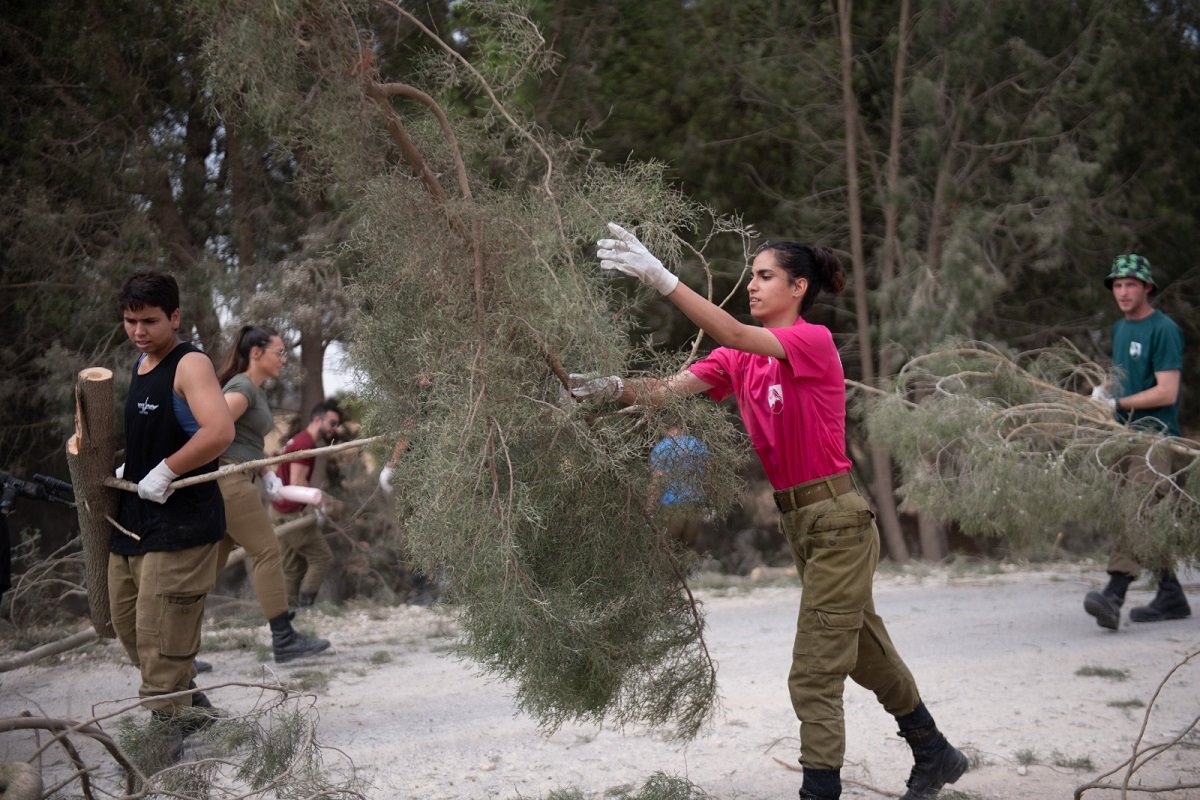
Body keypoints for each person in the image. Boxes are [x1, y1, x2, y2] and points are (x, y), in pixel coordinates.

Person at [574, 224, 968, 800]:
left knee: (813, 672)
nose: (753, 286)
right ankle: (934, 752)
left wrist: (662, 279)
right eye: (752, 276)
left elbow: (729, 326)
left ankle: (820, 790)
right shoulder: (737, 358)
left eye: (765, 277)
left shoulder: (813, 341)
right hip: (802, 524)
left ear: (799, 287)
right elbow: (665, 390)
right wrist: (609, 387)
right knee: (863, 652)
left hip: (838, 520)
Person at [108, 271, 233, 746]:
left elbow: (217, 431)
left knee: (160, 637)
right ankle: (190, 705)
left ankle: (165, 741)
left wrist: (166, 470)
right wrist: (133, 462)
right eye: (129, 321)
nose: (138, 331)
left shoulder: (190, 364)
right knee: (128, 626)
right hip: (135, 519)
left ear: (175, 317)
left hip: (183, 523)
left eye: (149, 321)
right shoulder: (141, 365)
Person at [1084, 254, 1191, 630]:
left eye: (1131, 284)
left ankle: (1114, 594)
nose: (1123, 291)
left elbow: (1166, 391)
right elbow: (1124, 377)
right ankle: (1171, 595)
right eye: (1117, 284)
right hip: (1123, 436)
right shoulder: (1120, 329)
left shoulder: (1164, 329)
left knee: (1139, 509)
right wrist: (1103, 392)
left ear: (1147, 287)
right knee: (1137, 514)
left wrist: (1119, 403)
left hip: (1155, 439)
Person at [213, 325, 331, 662]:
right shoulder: (242, 388)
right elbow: (211, 429)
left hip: (241, 476)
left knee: (208, 568)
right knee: (266, 552)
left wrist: (265, 471)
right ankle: (283, 638)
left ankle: (178, 652)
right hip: (231, 481)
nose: (284, 359)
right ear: (255, 353)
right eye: (279, 352)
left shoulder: (254, 390)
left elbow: (245, 440)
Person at [270, 400, 341, 607]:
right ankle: (305, 607)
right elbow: (296, 482)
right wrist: (320, 504)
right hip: (290, 513)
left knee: (291, 568)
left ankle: (289, 615)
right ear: (317, 419)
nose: (334, 428)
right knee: (322, 558)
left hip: (278, 510)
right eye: (332, 423)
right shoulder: (305, 444)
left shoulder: (299, 440)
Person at [648, 423, 709, 549]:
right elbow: (708, 476)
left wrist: (650, 508)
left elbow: (658, 479)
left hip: (671, 507)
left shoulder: (662, 447)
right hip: (695, 507)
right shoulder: (699, 446)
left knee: (668, 550)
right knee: (687, 550)